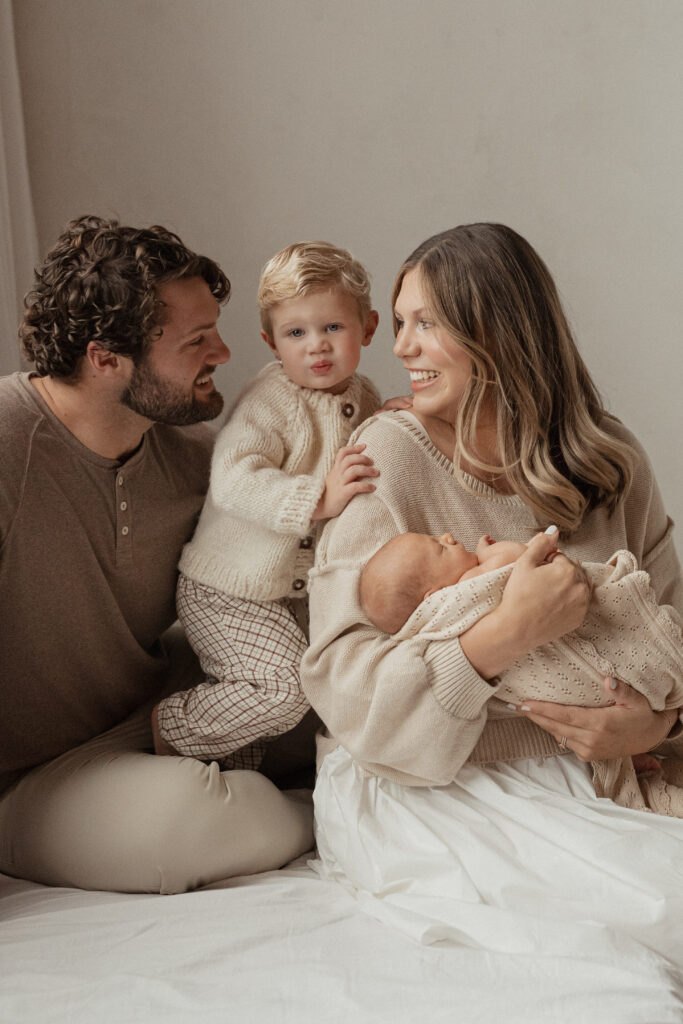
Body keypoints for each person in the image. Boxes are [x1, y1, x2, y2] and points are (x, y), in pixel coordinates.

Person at [301, 223, 683, 962]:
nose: (400, 347)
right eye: (400, 322)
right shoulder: (384, 459)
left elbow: (670, 626)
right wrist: (502, 634)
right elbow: (344, 691)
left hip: (611, 768)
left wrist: (654, 727)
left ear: (497, 334)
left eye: (425, 324)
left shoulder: (608, 461)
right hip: (434, 783)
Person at [0, 216, 313, 894]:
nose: (224, 354)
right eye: (197, 340)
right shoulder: (7, 443)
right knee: (176, 828)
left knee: (341, 670)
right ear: (105, 358)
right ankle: (327, 809)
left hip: (155, 715)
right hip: (37, 776)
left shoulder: (198, 458)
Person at [153, 240, 401, 770]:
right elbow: (233, 479)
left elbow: (376, 457)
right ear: (271, 342)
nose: (317, 347)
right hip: (229, 588)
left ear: (370, 328)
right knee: (283, 688)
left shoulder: (367, 396)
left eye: (333, 328)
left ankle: (234, 780)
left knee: (334, 684)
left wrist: (403, 418)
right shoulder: (273, 399)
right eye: (296, 333)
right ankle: (171, 726)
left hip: (294, 592)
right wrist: (317, 497)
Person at [360, 527, 683, 813]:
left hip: (607, 733)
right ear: (432, 596)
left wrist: (658, 729)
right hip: (497, 779)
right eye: (440, 548)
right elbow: (516, 559)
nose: (447, 536)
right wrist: (492, 555)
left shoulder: (428, 626)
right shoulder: (463, 590)